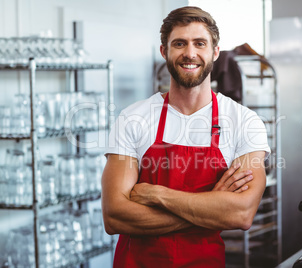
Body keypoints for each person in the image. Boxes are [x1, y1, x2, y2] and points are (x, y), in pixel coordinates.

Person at [102, 6, 270, 267]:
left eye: (199, 43)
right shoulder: (132, 118)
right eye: (179, 43)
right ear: (164, 52)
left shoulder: (244, 122)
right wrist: (213, 205)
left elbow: (241, 213)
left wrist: (158, 195)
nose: (190, 53)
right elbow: (115, 217)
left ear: (214, 52)